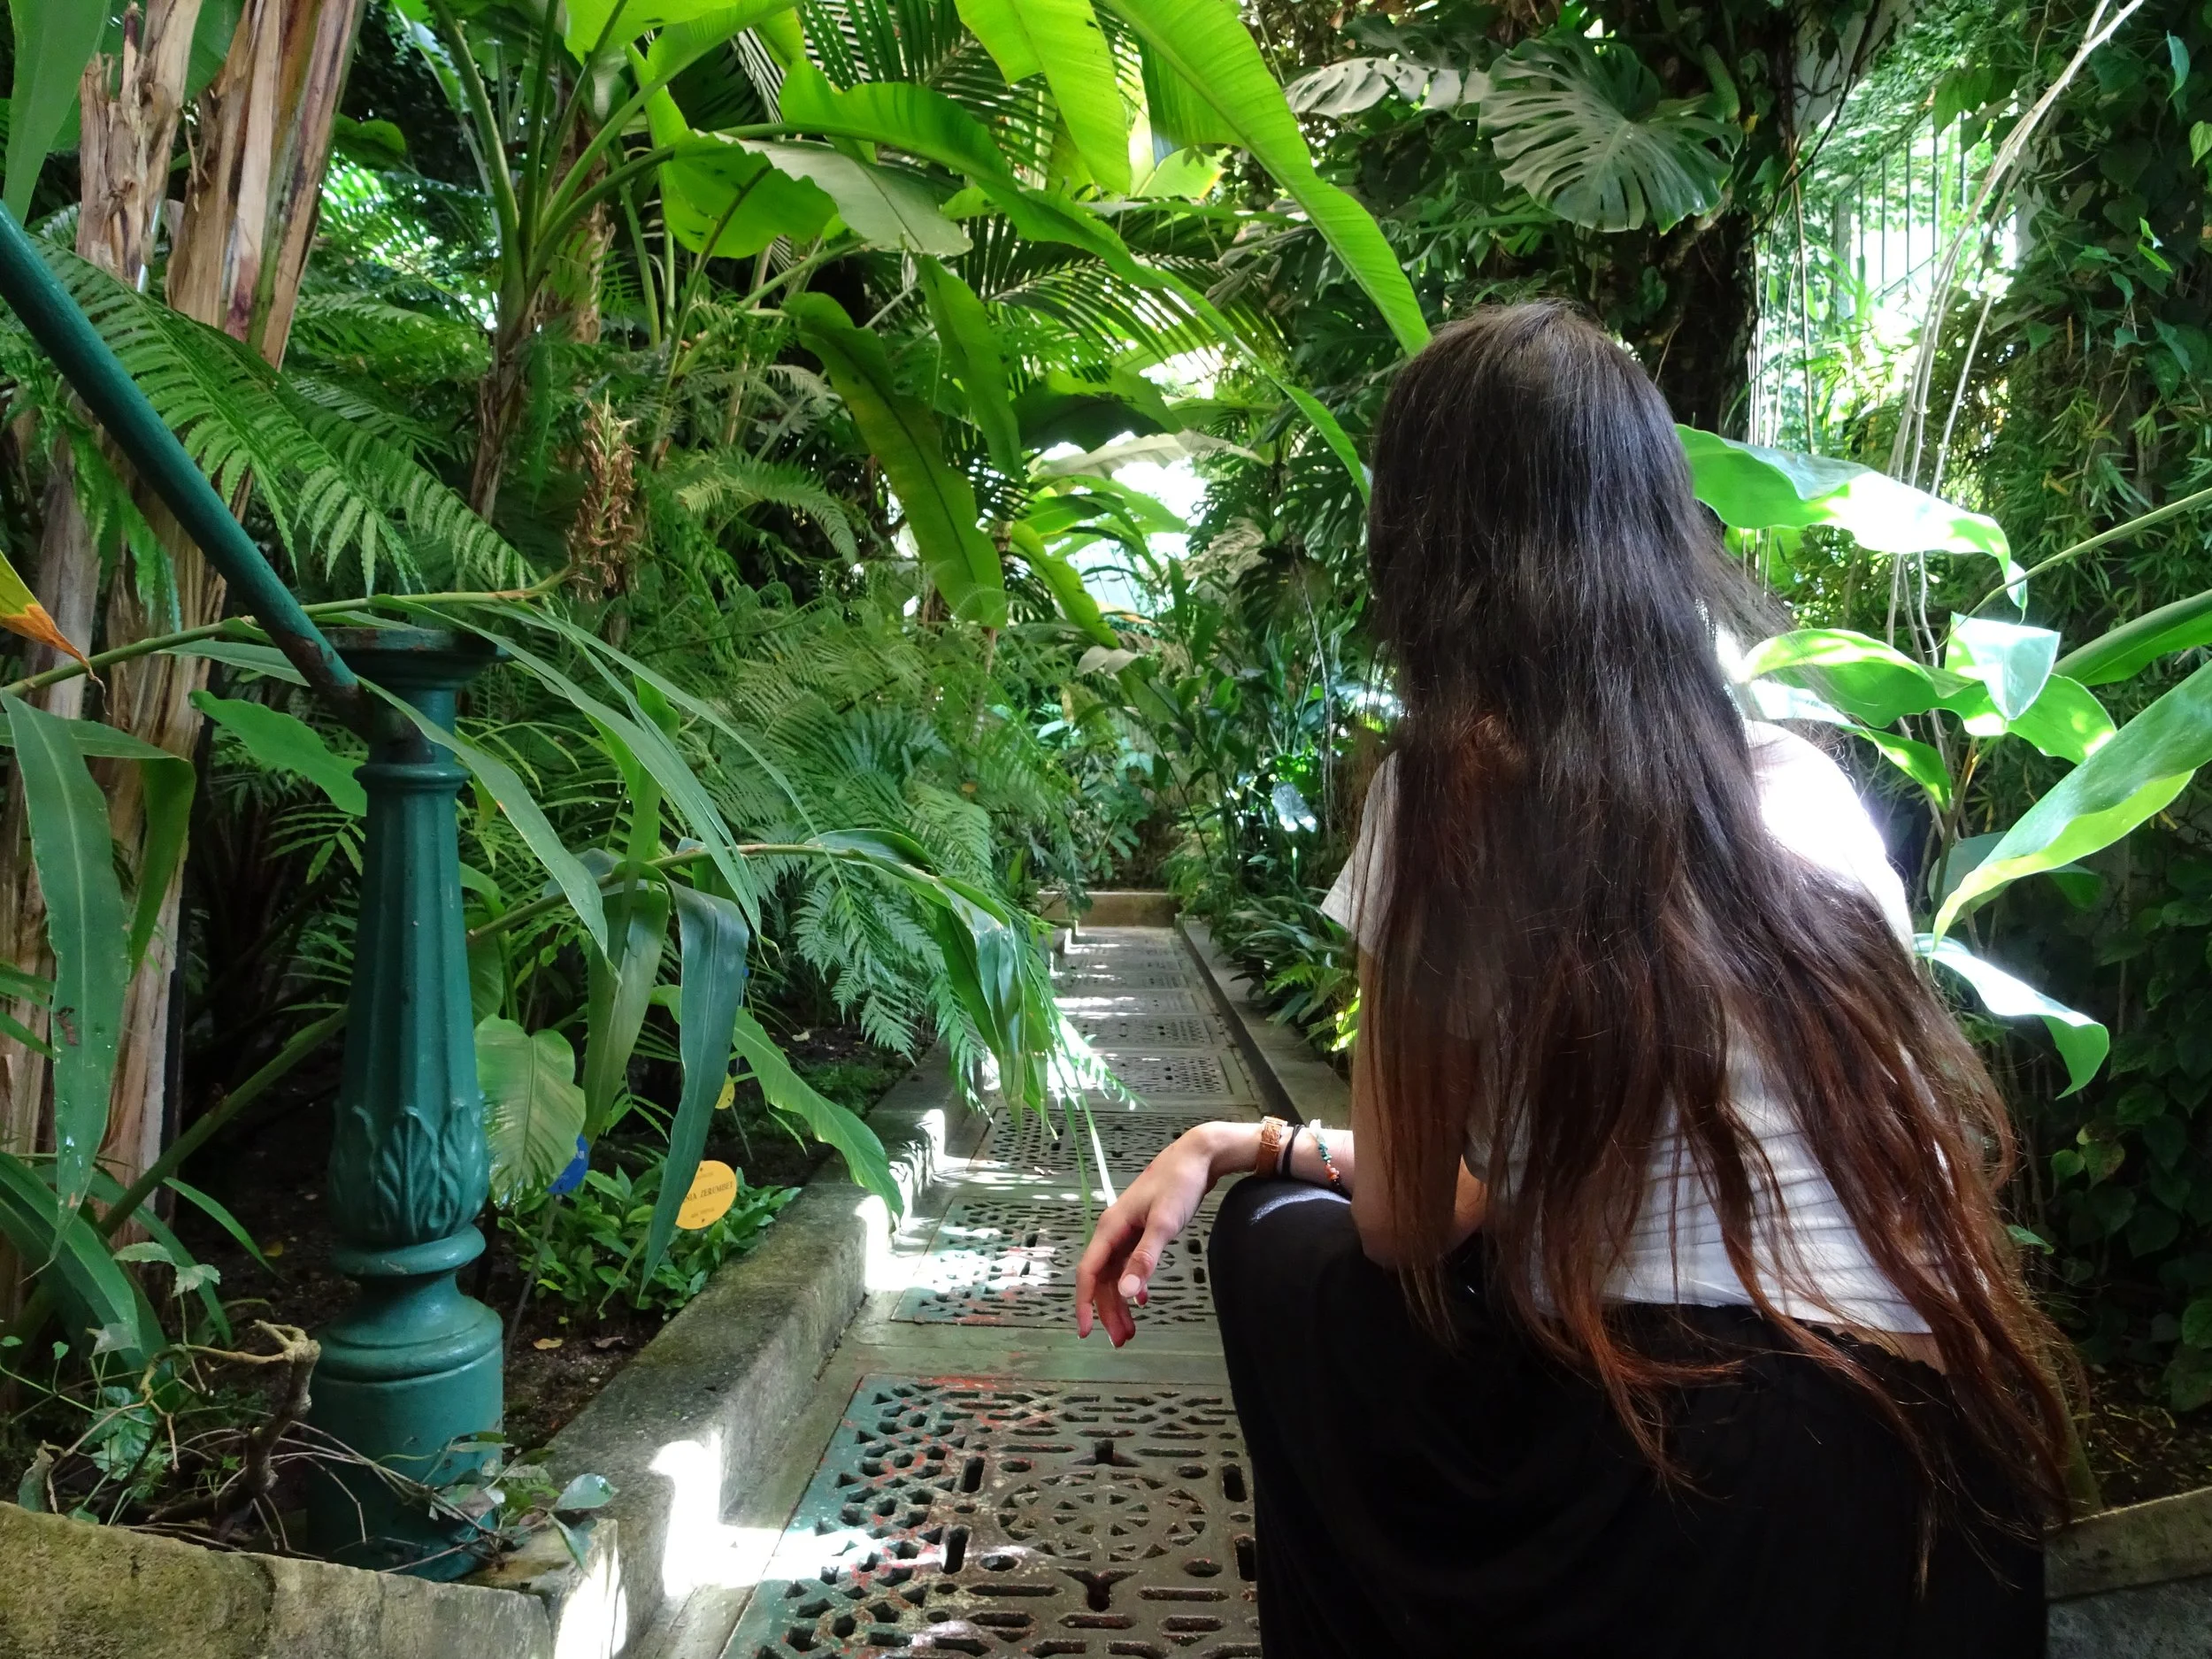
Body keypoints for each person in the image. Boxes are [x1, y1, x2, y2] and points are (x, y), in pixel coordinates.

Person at [1072, 302, 2069, 1658]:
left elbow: (1410, 1226)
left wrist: (1254, 1176)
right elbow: (1529, 1180)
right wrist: (1247, 1131)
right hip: (1936, 1512)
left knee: (1274, 1248)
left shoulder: (1441, 796)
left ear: (1429, 558)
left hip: (1677, 1507)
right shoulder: (1802, 785)